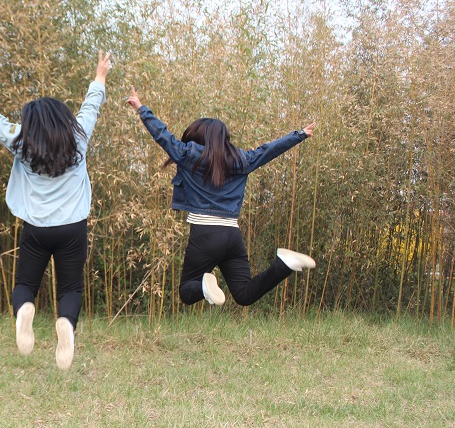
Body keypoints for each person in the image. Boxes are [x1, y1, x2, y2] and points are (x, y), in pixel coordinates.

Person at [0, 51, 110, 370]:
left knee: (25, 286)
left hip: (36, 228)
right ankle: (65, 323)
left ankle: (24, 311)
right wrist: (99, 76)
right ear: (63, 118)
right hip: (73, 228)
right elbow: (91, 106)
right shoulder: (79, 136)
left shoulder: (22, 142)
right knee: (71, 288)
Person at [126, 86, 316, 308]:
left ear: (200, 135)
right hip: (232, 235)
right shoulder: (243, 159)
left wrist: (141, 108)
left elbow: (162, 135)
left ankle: (204, 287)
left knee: (187, 291)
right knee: (244, 294)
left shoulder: (188, 155)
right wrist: (299, 135)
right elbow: (269, 150)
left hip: (204, 233)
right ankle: (284, 265)